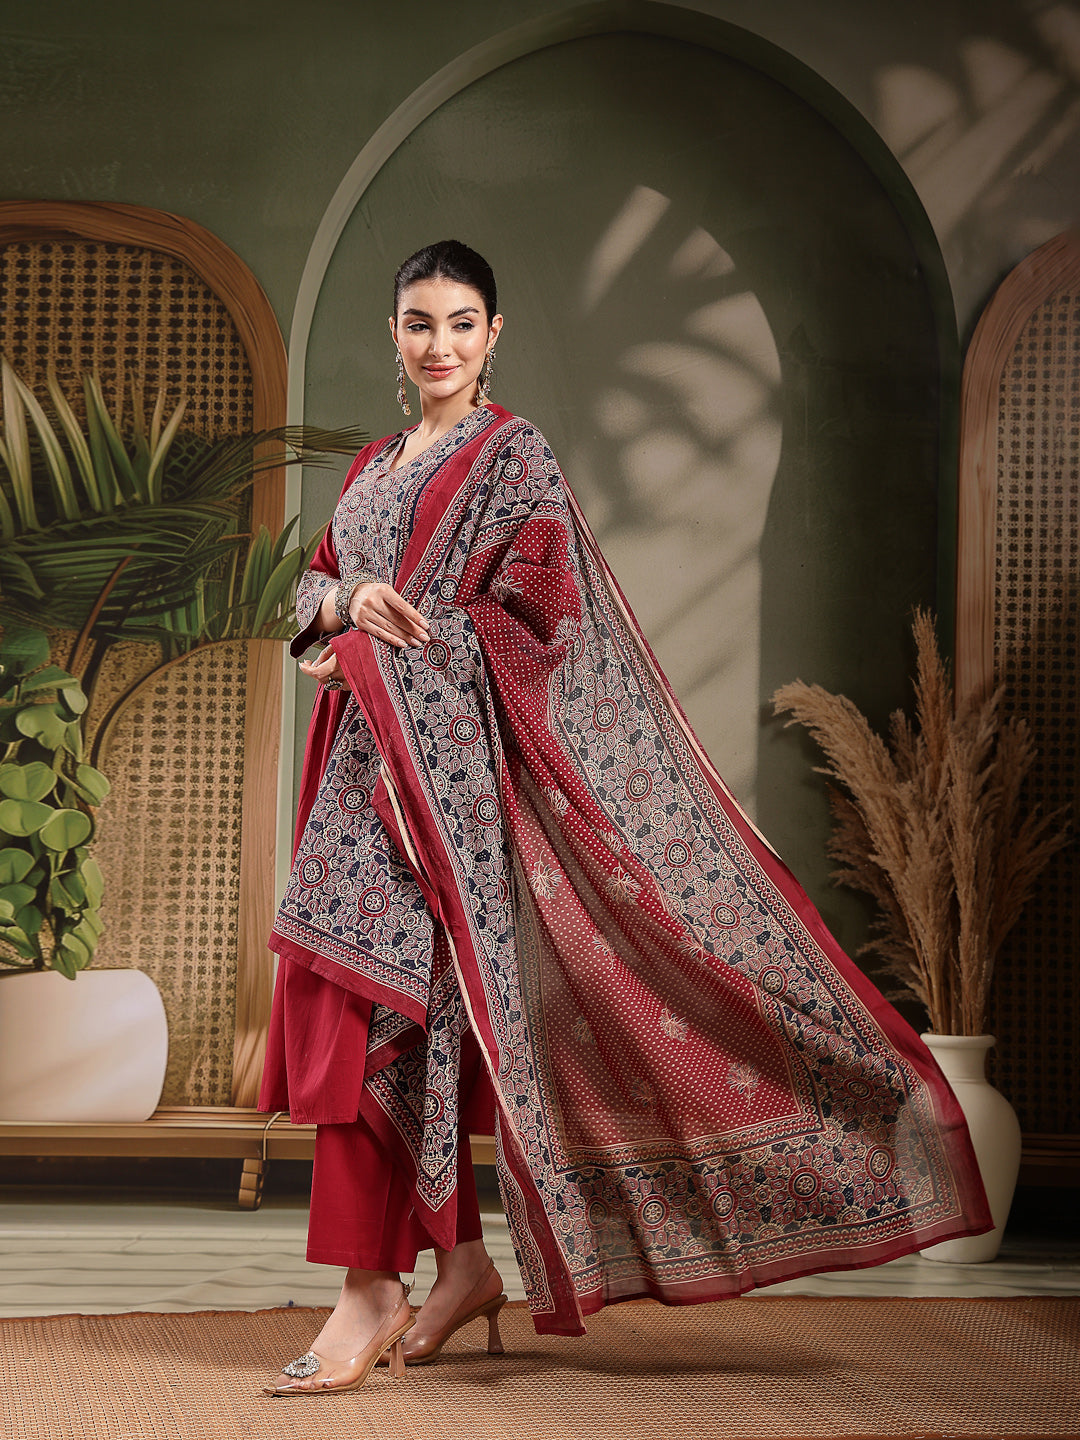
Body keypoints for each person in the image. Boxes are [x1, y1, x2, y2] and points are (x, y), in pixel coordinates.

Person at [259, 240, 991, 1397]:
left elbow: (543, 625)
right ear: (393, 334)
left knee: (383, 1020)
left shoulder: (516, 458)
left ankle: (367, 1294)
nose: (440, 344)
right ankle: (457, 1270)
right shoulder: (372, 464)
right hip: (362, 789)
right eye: (419, 322)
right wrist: (349, 602)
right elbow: (307, 594)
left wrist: (411, 646)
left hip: (459, 798)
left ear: (493, 335)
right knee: (387, 1021)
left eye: (460, 322)